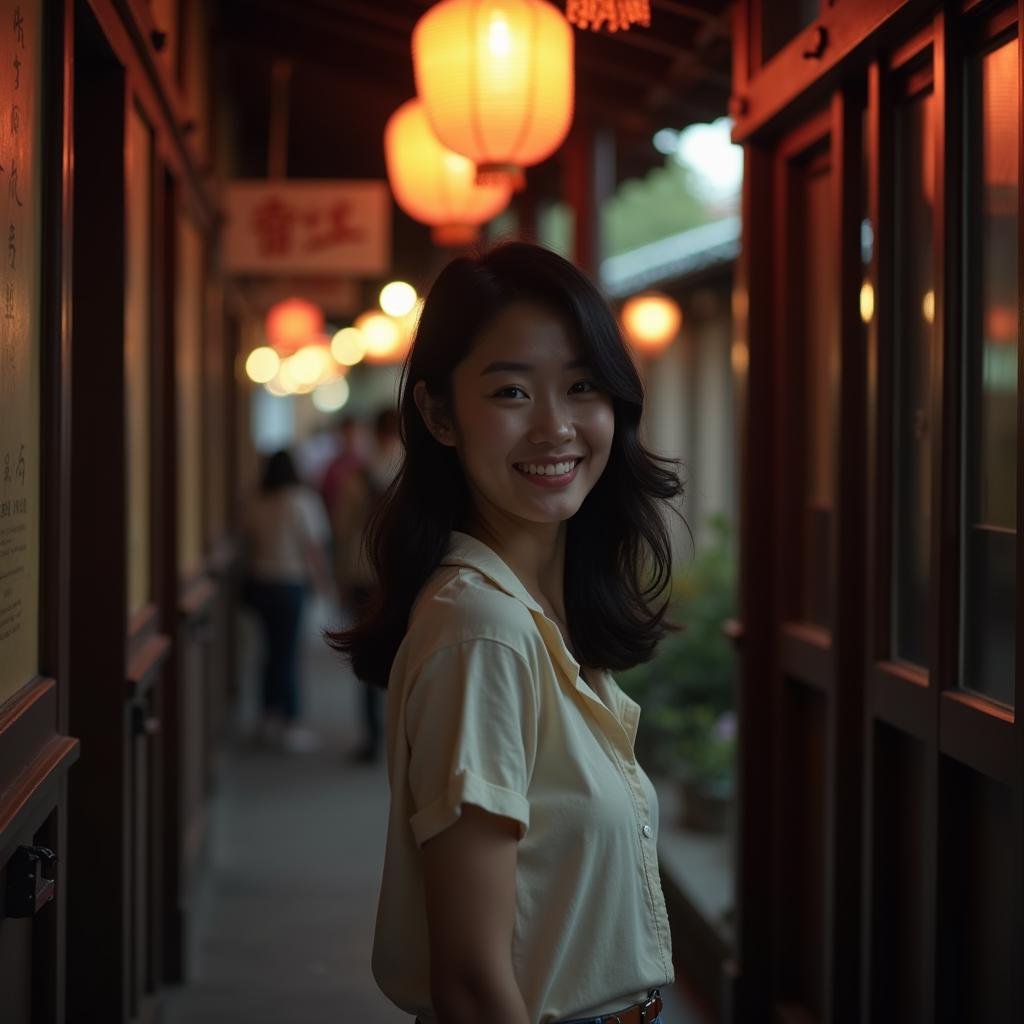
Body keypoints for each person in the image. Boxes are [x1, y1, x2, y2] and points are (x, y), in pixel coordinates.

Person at [325, 241, 682, 1024]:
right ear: (438, 414)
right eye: (512, 392)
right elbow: (473, 986)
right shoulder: (484, 630)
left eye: (582, 386)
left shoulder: (533, 614)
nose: (556, 427)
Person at [242, 448, 333, 754]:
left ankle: (267, 715)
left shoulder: (257, 501)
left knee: (269, 650)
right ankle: (290, 721)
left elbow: (248, 540)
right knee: (289, 652)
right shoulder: (302, 500)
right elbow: (313, 547)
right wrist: (323, 583)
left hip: (261, 582)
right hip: (290, 583)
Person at [330, 406, 403, 763]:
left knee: (370, 652)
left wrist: (339, 577)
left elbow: (343, 531)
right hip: (408, 571)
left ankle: (373, 737)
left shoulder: (357, 474)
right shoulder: (418, 468)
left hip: (363, 573)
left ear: (374, 432)